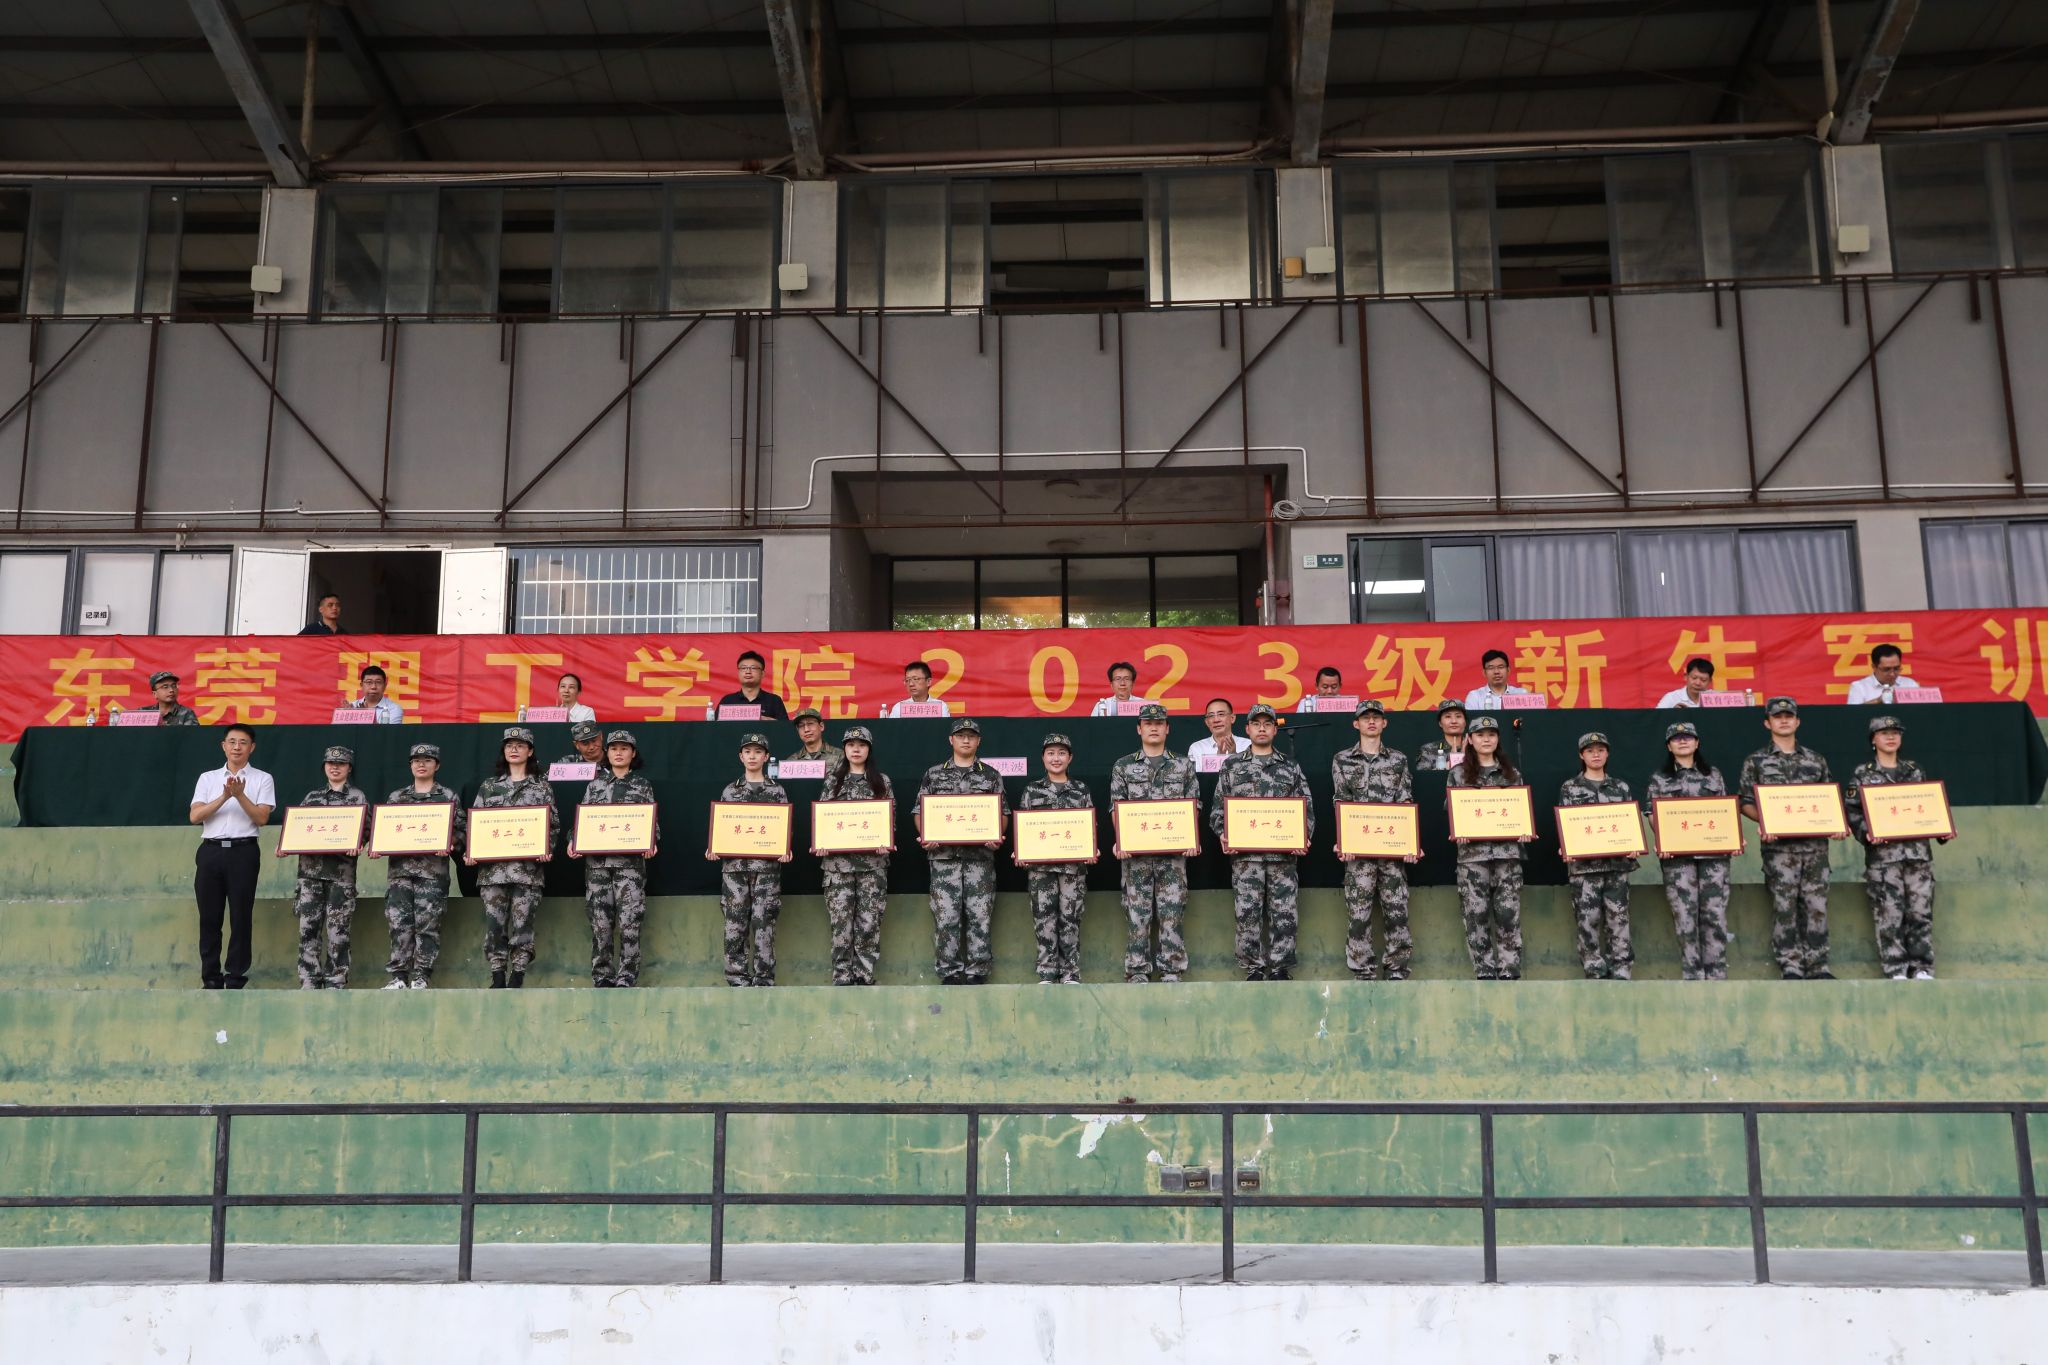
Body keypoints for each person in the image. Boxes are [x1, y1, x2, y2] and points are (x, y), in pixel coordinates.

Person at [1210, 703, 1314, 982]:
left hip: (1283, 857)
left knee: (1284, 913)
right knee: (1247, 914)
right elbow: (1218, 809)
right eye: (1256, 724)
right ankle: (1253, 967)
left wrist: (1303, 836)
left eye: (1268, 724)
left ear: (1275, 730)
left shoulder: (1290, 766)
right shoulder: (1232, 766)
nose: (1262, 729)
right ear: (1247, 729)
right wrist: (1223, 834)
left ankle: (1280, 968)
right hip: (1246, 858)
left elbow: (1306, 807)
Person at [1739, 697, 1836, 981]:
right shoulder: (1755, 761)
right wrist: (1765, 822)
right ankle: (1790, 965)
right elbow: (1745, 802)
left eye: (1789, 716)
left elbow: (1828, 800)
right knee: (1784, 907)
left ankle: (1818, 966)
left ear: (1797, 721)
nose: (1784, 720)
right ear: (1767, 723)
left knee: (1816, 906)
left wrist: (1835, 824)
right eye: (1777, 716)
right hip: (1779, 850)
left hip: (1815, 848)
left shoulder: (1816, 760)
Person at [1845, 716, 1945, 980]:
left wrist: (1942, 829)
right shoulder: (1863, 773)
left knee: (1921, 912)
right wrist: (1867, 834)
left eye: (1895, 733)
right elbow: (1852, 812)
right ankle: (1896, 969)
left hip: (1917, 855)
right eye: (1884, 733)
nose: (1891, 737)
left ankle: (1922, 967)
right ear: (1873, 740)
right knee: (1889, 913)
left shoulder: (1915, 770)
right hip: (1884, 858)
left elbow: (1930, 807)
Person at [1109, 702, 1199, 984]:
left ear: (1167, 728)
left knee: (1172, 911)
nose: (1154, 728)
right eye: (1148, 724)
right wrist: (1121, 840)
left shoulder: (1183, 764)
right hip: (1135, 856)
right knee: (1137, 913)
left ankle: (1171, 969)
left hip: (1173, 855)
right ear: (1139, 729)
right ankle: (1137, 969)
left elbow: (1194, 805)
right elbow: (1116, 807)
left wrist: (1191, 838)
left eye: (1159, 723)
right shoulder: (1123, 766)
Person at [915, 718, 1008, 985]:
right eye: (960, 735)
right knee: (946, 917)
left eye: (971, 736)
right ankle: (950, 971)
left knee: (980, 916)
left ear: (978, 741)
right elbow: (919, 811)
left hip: (980, 859)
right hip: (944, 859)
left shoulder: (991, 775)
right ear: (951, 740)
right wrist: (926, 836)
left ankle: (977, 970)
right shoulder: (934, 774)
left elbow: (1002, 813)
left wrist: (997, 836)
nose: (966, 740)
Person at [466, 726, 557, 989]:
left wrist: (546, 848)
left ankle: (518, 973)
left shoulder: (541, 787)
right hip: (492, 872)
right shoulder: (489, 786)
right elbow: (475, 825)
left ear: (530, 751)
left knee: (523, 923)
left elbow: (553, 826)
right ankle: (497, 974)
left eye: (520, 745)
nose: (514, 749)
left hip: (527, 871)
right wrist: (471, 851)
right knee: (494, 925)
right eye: (509, 745)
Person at [1331, 698, 1416, 981]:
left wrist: (1410, 843)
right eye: (1365, 718)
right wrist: (1343, 841)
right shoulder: (1342, 759)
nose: (1371, 721)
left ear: (1384, 723)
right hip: (1358, 853)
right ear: (1355, 723)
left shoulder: (1398, 759)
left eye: (1376, 717)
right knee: (1358, 914)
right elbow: (1341, 801)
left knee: (1397, 912)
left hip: (1392, 850)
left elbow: (1405, 801)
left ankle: (1397, 970)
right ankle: (1362, 971)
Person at [187, 724, 275, 990]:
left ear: (252, 747)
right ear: (223, 745)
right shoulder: (208, 778)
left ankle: (236, 977)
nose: (237, 747)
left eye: (243, 742)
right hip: (211, 851)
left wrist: (240, 795)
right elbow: (195, 816)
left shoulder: (263, 778)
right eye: (232, 742)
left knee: (241, 916)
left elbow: (261, 817)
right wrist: (225, 796)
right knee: (209, 918)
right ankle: (211, 977)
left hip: (243, 852)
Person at [1643, 722, 1732, 981]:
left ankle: (1716, 974)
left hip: (1714, 858)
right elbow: (1652, 814)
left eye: (1688, 737)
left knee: (1715, 914)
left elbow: (1725, 810)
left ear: (1697, 743)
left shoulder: (1713, 775)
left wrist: (1733, 838)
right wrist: (1664, 840)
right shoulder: (1660, 779)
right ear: (1669, 746)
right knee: (1685, 916)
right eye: (1676, 738)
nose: (1683, 741)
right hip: (1677, 859)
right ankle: (1692, 973)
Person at [373, 742, 464, 990]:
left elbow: (462, 831)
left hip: (432, 874)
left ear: (437, 765)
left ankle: (422, 975)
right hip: (400, 873)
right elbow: (385, 830)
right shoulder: (397, 797)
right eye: (416, 761)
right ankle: (399, 976)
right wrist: (378, 844)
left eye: (427, 760)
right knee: (398, 924)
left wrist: (451, 842)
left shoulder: (448, 796)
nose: (421, 764)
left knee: (428, 925)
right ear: (411, 765)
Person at [574, 729, 659, 988]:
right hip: (598, 867)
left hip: (629, 867)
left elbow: (652, 822)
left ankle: (627, 975)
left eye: (624, 748)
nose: (619, 753)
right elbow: (583, 821)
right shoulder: (594, 786)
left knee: (630, 922)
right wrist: (572, 840)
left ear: (633, 753)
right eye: (613, 748)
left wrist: (651, 842)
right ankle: (602, 975)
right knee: (600, 923)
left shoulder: (642, 786)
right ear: (607, 753)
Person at [1447, 715, 1528, 980]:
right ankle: (1484, 970)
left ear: (1498, 739)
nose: (1486, 739)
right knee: (1475, 914)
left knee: (1508, 914)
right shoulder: (1458, 774)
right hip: (1472, 857)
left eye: (1491, 734)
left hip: (1507, 856)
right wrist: (1458, 830)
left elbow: (1521, 811)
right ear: (1470, 739)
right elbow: (1452, 811)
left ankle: (1509, 970)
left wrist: (1524, 829)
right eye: (1480, 735)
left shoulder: (1512, 774)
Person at [709, 734, 792, 986]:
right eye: (748, 752)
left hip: (766, 869)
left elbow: (784, 827)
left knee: (764, 922)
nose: (752, 756)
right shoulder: (730, 791)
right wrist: (714, 847)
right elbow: (722, 827)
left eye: (758, 751)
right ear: (741, 757)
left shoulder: (777, 790)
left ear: (766, 757)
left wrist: (785, 848)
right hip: (734, 869)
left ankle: (764, 978)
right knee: (734, 923)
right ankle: (737, 978)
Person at [1557, 732, 1638, 980]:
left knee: (1619, 921)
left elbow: (1629, 824)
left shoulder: (1621, 787)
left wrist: (1634, 843)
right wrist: (1566, 846)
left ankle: (1622, 972)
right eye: (1590, 750)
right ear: (1581, 755)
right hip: (1584, 869)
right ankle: (1594, 973)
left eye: (1600, 750)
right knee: (1587, 922)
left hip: (1616, 867)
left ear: (1607, 754)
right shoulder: (1570, 788)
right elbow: (1566, 824)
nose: (1596, 755)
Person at [1017, 733, 1095, 985]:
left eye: (1062, 753)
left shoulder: (1081, 789)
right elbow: (1023, 827)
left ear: (1070, 758)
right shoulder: (1032, 790)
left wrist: (1092, 847)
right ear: (1043, 758)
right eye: (1050, 753)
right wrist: (1020, 850)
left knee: (1071, 919)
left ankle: (1070, 972)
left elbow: (1090, 826)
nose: (1056, 758)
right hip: (1040, 868)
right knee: (1044, 919)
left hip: (1073, 868)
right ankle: (1047, 972)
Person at [290, 746, 368, 990]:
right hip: (310, 874)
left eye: (341, 764)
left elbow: (367, 829)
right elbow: (296, 829)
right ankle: (309, 979)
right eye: (330, 763)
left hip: (340, 876)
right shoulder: (311, 798)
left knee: (338, 931)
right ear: (324, 766)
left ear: (349, 768)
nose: (335, 767)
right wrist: (285, 844)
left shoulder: (357, 797)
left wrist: (360, 843)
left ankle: (336, 979)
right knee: (308, 928)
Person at [821, 726, 891, 986]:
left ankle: (864, 975)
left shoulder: (881, 781)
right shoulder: (832, 780)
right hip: (837, 867)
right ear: (845, 749)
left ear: (869, 749)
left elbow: (889, 819)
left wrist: (886, 841)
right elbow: (823, 820)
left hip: (872, 866)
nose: (856, 749)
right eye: (851, 745)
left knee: (869, 923)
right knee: (841, 925)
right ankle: (842, 975)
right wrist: (822, 843)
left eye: (861, 745)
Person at [716, 650, 789, 722]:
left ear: (762, 674)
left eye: (753, 668)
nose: (748, 672)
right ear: (738, 673)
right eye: (743, 668)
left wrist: (768, 721)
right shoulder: (727, 701)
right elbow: (714, 726)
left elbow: (785, 727)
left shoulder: (774, 701)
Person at [1845, 644, 1919, 705]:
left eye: (1896, 668)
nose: (1892, 674)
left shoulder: (1910, 684)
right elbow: (1852, 714)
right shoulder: (1859, 687)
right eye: (1886, 669)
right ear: (1874, 667)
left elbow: (1920, 710)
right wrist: (1877, 701)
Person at [1463, 650, 1530, 711]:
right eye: (1491, 668)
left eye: (1501, 667)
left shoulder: (1521, 694)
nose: (1496, 672)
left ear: (1508, 670)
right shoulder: (1475, 696)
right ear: (1484, 672)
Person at [1414, 699, 1469, 772]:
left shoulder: (1476, 748)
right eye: (1448, 716)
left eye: (1458, 716)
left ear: (1465, 722)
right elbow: (1423, 777)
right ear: (1440, 723)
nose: (1454, 721)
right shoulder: (1428, 749)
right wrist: (1450, 764)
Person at [881, 660, 947, 718]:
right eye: (907, 680)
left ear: (928, 682)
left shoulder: (940, 707)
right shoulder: (899, 708)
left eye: (915, 679)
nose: (911, 684)